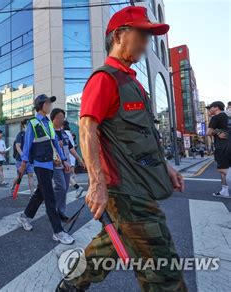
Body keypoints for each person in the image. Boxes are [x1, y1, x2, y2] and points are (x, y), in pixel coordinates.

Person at [56, 6, 187, 291]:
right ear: (118, 35)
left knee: (112, 242)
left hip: (139, 184)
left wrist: (166, 166)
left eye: (148, 36)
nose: (145, 42)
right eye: (141, 34)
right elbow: (87, 129)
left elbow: (144, 135)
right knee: (163, 272)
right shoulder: (105, 79)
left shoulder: (132, 82)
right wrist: (96, 183)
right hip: (127, 192)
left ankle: (71, 284)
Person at [17, 94, 74, 245]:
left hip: (51, 164)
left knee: (40, 193)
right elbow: (27, 145)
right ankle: (58, 231)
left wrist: (64, 160)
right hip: (40, 164)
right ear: (40, 105)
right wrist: (24, 163)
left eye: (50, 103)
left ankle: (25, 216)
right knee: (49, 197)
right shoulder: (33, 123)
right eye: (47, 103)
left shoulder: (48, 123)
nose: (49, 106)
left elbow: (55, 143)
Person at [50, 108, 85, 221]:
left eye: (62, 117)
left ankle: (61, 211)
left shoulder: (63, 132)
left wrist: (79, 159)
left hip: (67, 164)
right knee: (61, 187)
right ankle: (53, 209)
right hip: (56, 164)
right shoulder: (50, 132)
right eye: (59, 117)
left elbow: (70, 147)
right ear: (53, 118)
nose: (61, 119)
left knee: (64, 190)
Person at [205, 101, 231, 199]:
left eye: (210, 108)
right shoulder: (228, 117)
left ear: (216, 108)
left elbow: (208, 132)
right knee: (226, 169)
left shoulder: (216, 117)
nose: (209, 110)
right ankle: (225, 190)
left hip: (222, 147)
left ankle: (225, 190)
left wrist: (216, 131)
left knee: (223, 169)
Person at [12, 119, 35, 196]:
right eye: (28, 124)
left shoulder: (33, 134)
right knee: (19, 176)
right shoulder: (20, 134)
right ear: (24, 125)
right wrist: (23, 156)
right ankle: (12, 187)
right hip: (20, 160)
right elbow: (17, 146)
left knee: (30, 175)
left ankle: (32, 193)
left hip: (30, 159)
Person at [63, 121, 84, 194]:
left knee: (65, 174)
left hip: (65, 155)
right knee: (66, 174)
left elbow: (68, 146)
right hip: (68, 154)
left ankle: (76, 187)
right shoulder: (69, 133)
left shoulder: (64, 133)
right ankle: (77, 187)